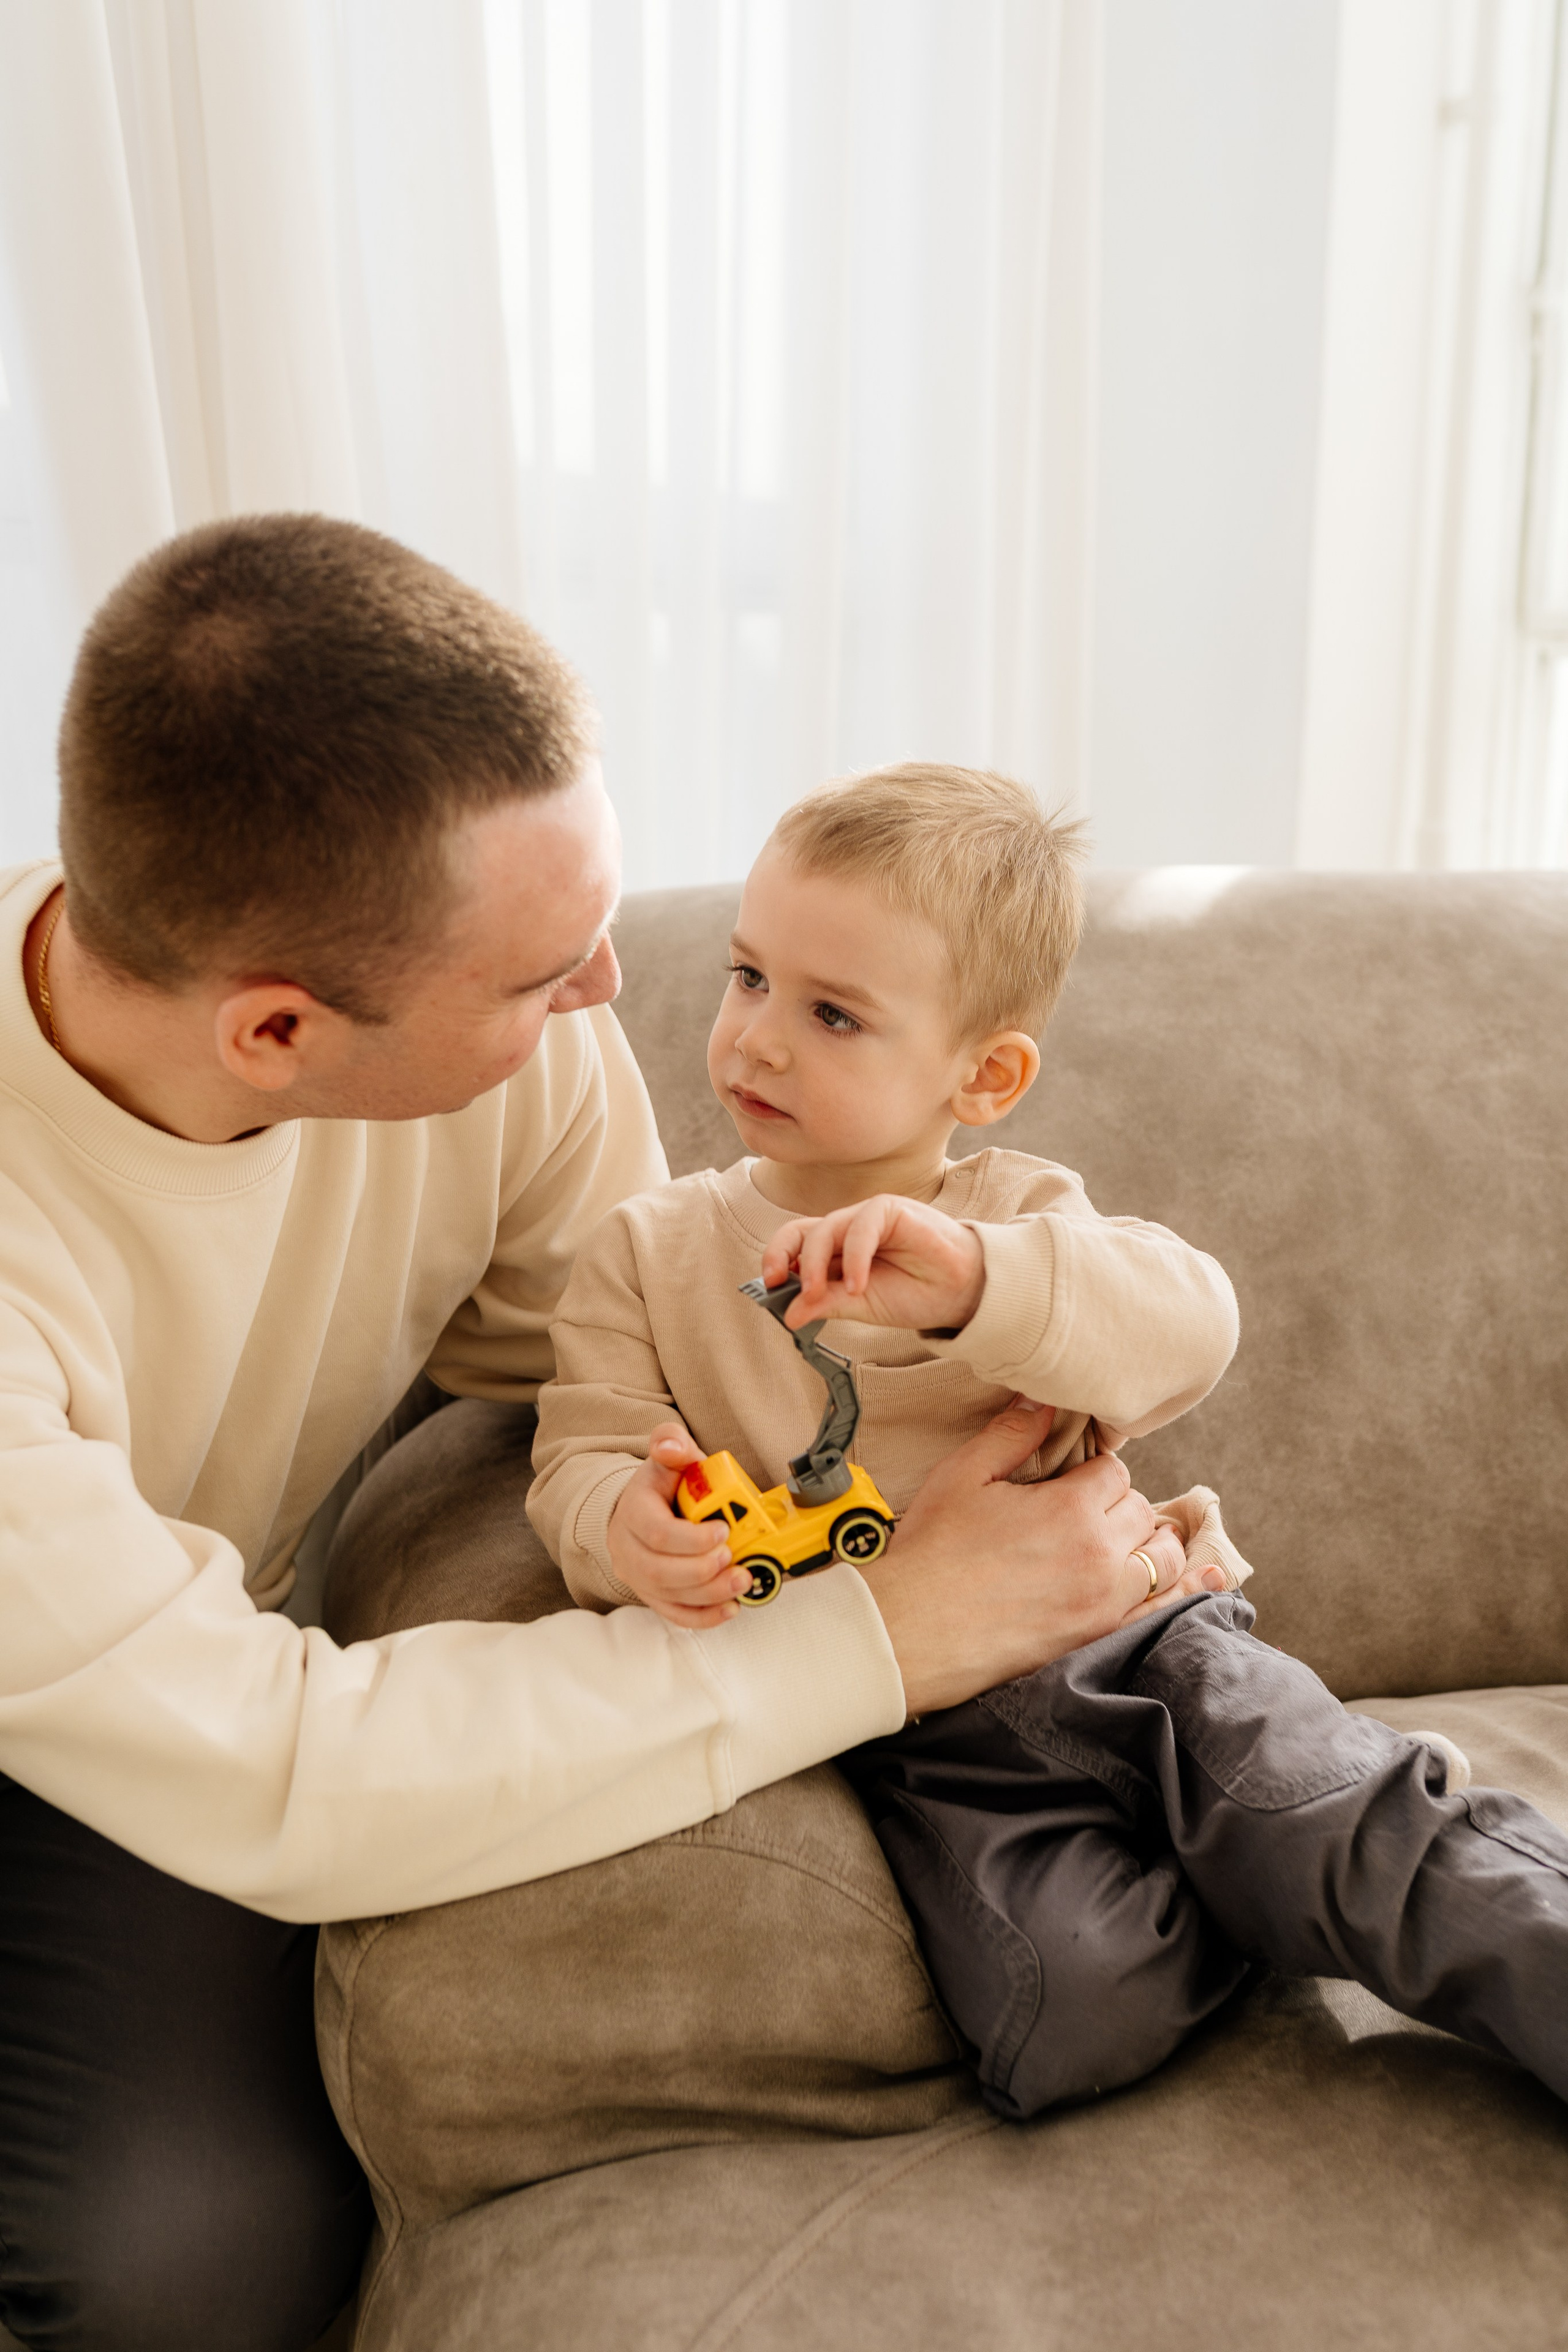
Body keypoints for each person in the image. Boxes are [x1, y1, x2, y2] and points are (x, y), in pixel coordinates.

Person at [0, 524, 1207, 2352]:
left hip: (137, 1676)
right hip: (108, 1702)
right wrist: (887, 1634)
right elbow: (288, 1769)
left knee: (210, 2253)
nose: (605, 1007)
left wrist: (849, 1477)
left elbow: (639, 1376)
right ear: (274, 1029)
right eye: (543, 978)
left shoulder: (506, 1058)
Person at [529, 761, 1568, 2120]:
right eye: (747, 977)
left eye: (833, 1013)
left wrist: (971, 1279)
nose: (757, 1041)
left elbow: (1187, 1327)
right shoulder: (646, 1250)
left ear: (987, 1074)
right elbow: (581, 1452)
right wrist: (626, 1530)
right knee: (1059, 2012)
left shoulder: (1018, 1215)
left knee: (1338, 1831)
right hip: (916, 1723)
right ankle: (1259, 1904)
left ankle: (1362, 1893)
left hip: (1141, 1646)